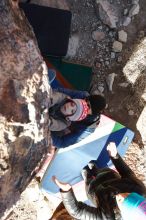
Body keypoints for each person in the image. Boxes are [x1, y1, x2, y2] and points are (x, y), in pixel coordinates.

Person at [52, 142, 146, 220]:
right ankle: (95, 168)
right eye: (128, 194)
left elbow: (77, 212)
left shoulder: (108, 217)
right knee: (100, 169)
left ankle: (87, 175)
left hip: (94, 191)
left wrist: (66, 191)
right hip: (109, 175)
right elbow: (127, 173)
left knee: (88, 179)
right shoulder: (140, 189)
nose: (120, 195)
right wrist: (115, 156)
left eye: (121, 201)